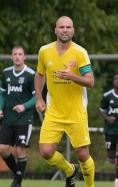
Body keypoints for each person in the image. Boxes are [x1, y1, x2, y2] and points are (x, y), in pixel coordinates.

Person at [34, 16, 95, 187]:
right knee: (46, 152)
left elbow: (90, 81)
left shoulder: (80, 53)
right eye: (61, 27)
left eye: (68, 27)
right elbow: (39, 74)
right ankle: (70, 171)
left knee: (82, 154)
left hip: (76, 111)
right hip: (54, 110)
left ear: (73, 31)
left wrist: (72, 76)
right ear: (55, 30)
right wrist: (39, 97)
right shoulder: (44, 51)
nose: (65, 30)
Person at [0, 46, 36, 187]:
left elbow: (36, 98)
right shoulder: (6, 73)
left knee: (20, 149)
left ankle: (17, 182)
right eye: (15, 54)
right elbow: (2, 93)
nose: (17, 56)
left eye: (20, 54)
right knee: (2, 149)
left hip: (24, 119)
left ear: (24, 57)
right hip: (8, 119)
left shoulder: (31, 74)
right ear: (11, 56)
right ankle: (18, 172)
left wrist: (24, 106)